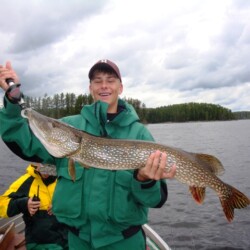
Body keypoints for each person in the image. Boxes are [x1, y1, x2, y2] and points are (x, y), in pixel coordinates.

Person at [0, 60, 176, 249]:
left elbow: (156, 200)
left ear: (120, 87)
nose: (104, 86)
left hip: (124, 242)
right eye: (97, 81)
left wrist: (144, 180)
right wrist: (12, 101)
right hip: (77, 241)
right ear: (90, 88)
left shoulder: (140, 134)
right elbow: (23, 141)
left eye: (110, 80)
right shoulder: (70, 126)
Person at [0, 163, 68, 250]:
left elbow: (79, 201)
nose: (45, 170)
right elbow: (1, 205)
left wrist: (63, 204)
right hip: (39, 242)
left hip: (68, 237)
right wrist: (24, 204)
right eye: (41, 163)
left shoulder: (65, 179)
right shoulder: (25, 181)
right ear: (35, 163)